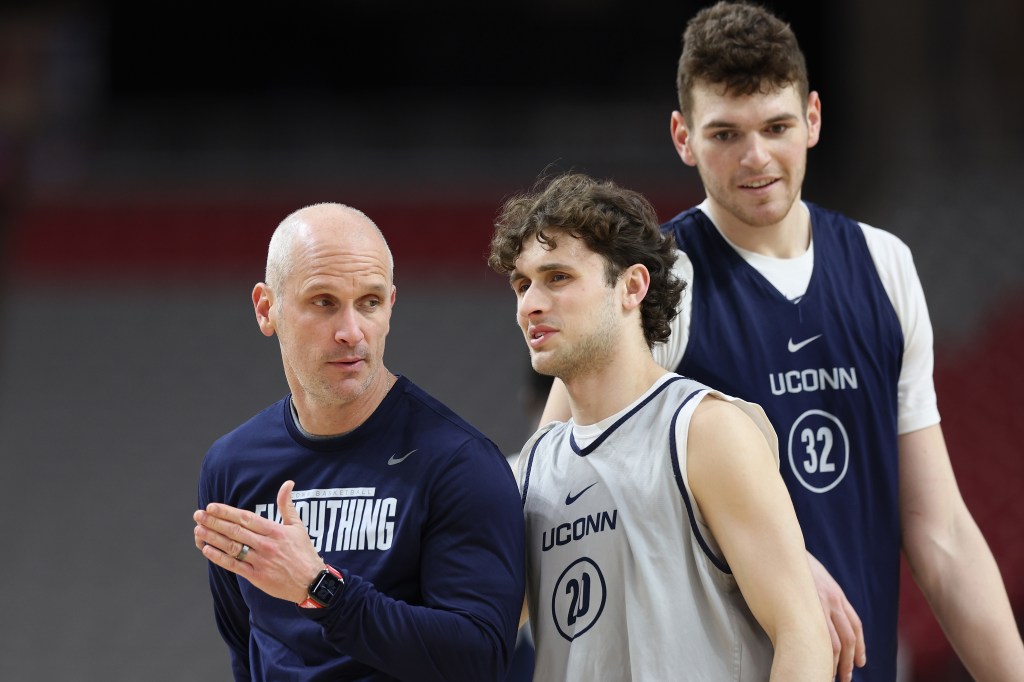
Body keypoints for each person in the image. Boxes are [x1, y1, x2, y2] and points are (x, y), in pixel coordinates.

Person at [540, 3, 1024, 681]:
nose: (756, 156)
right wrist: (782, 557)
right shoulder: (652, 282)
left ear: (814, 119)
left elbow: (938, 530)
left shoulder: (884, 266)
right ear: (683, 137)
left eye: (776, 127)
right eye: (726, 134)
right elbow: (559, 487)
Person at [490, 171, 833, 681]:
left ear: (632, 286)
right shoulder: (532, 469)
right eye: (523, 284)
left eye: (557, 277)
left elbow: (803, 635)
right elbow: (476, 631)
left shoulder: (705, 430)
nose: (529, 305)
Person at [192, 202, 526, 681]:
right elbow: (246, 648)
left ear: (390, 305)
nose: (351, 332)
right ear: (267, 309)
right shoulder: (232, 465)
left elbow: (479, 659)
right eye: (324, 302)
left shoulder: (459, 463)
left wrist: (318, 587)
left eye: (369, 302)